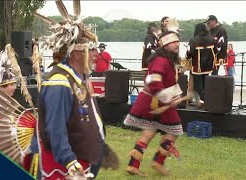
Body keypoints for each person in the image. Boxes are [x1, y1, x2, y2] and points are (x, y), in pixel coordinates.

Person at [34, 1, 118, 179]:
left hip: (83, 159)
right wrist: (69, 160)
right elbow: (55, 128)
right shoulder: (59, 83)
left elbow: (85, 117)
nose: (97, 55)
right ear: (78, 53)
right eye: (92, 50)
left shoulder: (78, 78)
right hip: (65, 166)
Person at [124, 19, 182, 177]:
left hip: (153, 101)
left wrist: (174, 94)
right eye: (174, 42)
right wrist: (167, 98)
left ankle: (133, 165)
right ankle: (158, 161)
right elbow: (153, 81)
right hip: (154, 101)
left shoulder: (165, 60)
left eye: (178, 42)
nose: (177, 44)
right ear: (165, 45)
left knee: (148, 132)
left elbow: (163, 81)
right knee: (174, 130)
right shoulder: (161, 61)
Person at [186, 23, 216, 102]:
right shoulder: (211, 39)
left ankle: (202, 100)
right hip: (208, 66)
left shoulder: (194, 40)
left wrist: (187, 57)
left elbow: (189, 53)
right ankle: (207, 99)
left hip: (197, 66)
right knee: (205, 83)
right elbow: (216, 50)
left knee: (198, 85)